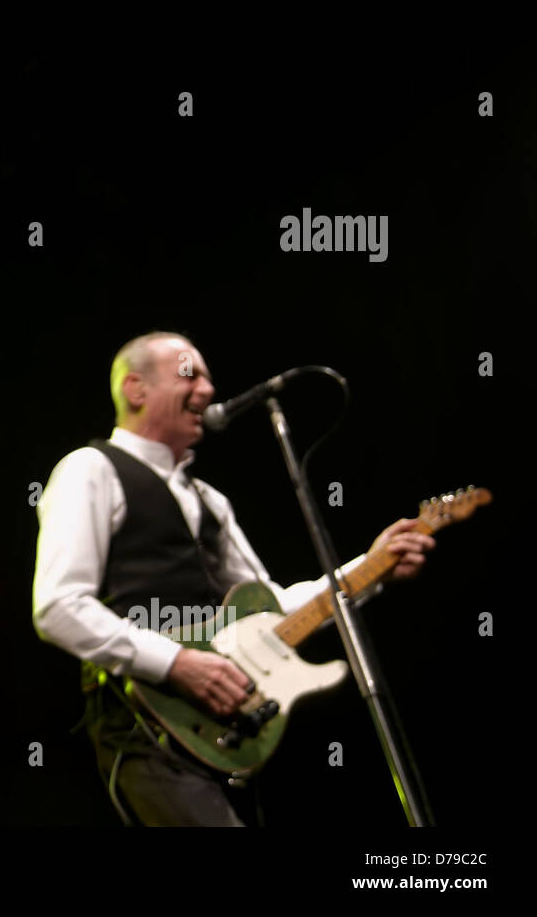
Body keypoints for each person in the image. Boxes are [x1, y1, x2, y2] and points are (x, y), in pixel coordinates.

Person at [30, 331, 434, 826]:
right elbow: (58, 606)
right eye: (189, 374)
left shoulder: (209, 500)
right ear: (136, 389)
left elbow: (273, 611)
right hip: (143, 727)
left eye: (207, 377)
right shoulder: (89, 470)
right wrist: (176, 662)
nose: (206, 389)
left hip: (220, 734)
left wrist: (373, 566)